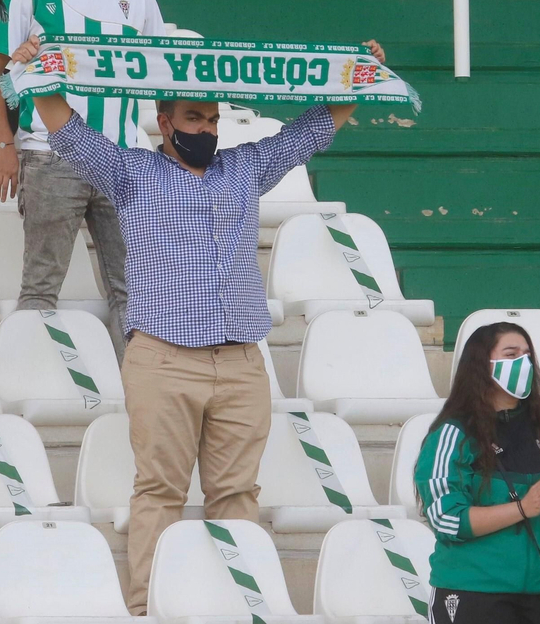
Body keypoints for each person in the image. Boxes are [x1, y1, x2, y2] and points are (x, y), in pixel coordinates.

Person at [20, 41, 382, 614]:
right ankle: (148, 608)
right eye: (194, 117)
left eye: (213, 118)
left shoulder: (244, 166)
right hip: (162, 359)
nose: (207, 128)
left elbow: (308, 134)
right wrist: (36, 71)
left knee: (237, 496)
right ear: (164, 123)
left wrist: (356, 78)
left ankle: (237, 606)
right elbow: (66, 129)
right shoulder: (129, 170)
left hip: (240, 362)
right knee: (159, 493)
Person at [0, 0, 161, 358]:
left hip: (123, 159)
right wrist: (3, 145)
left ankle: (139, 392)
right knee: (41, 286)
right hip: (50, 154)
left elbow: (165, 72)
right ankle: (31, 384)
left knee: (135, 290)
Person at [414, 322, 540, 624]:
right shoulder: (454, 432)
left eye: (527, 356)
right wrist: (522, 509)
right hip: (473, 593)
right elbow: (446, 517)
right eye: (511, 354)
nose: (523, 363)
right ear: (481, 365)